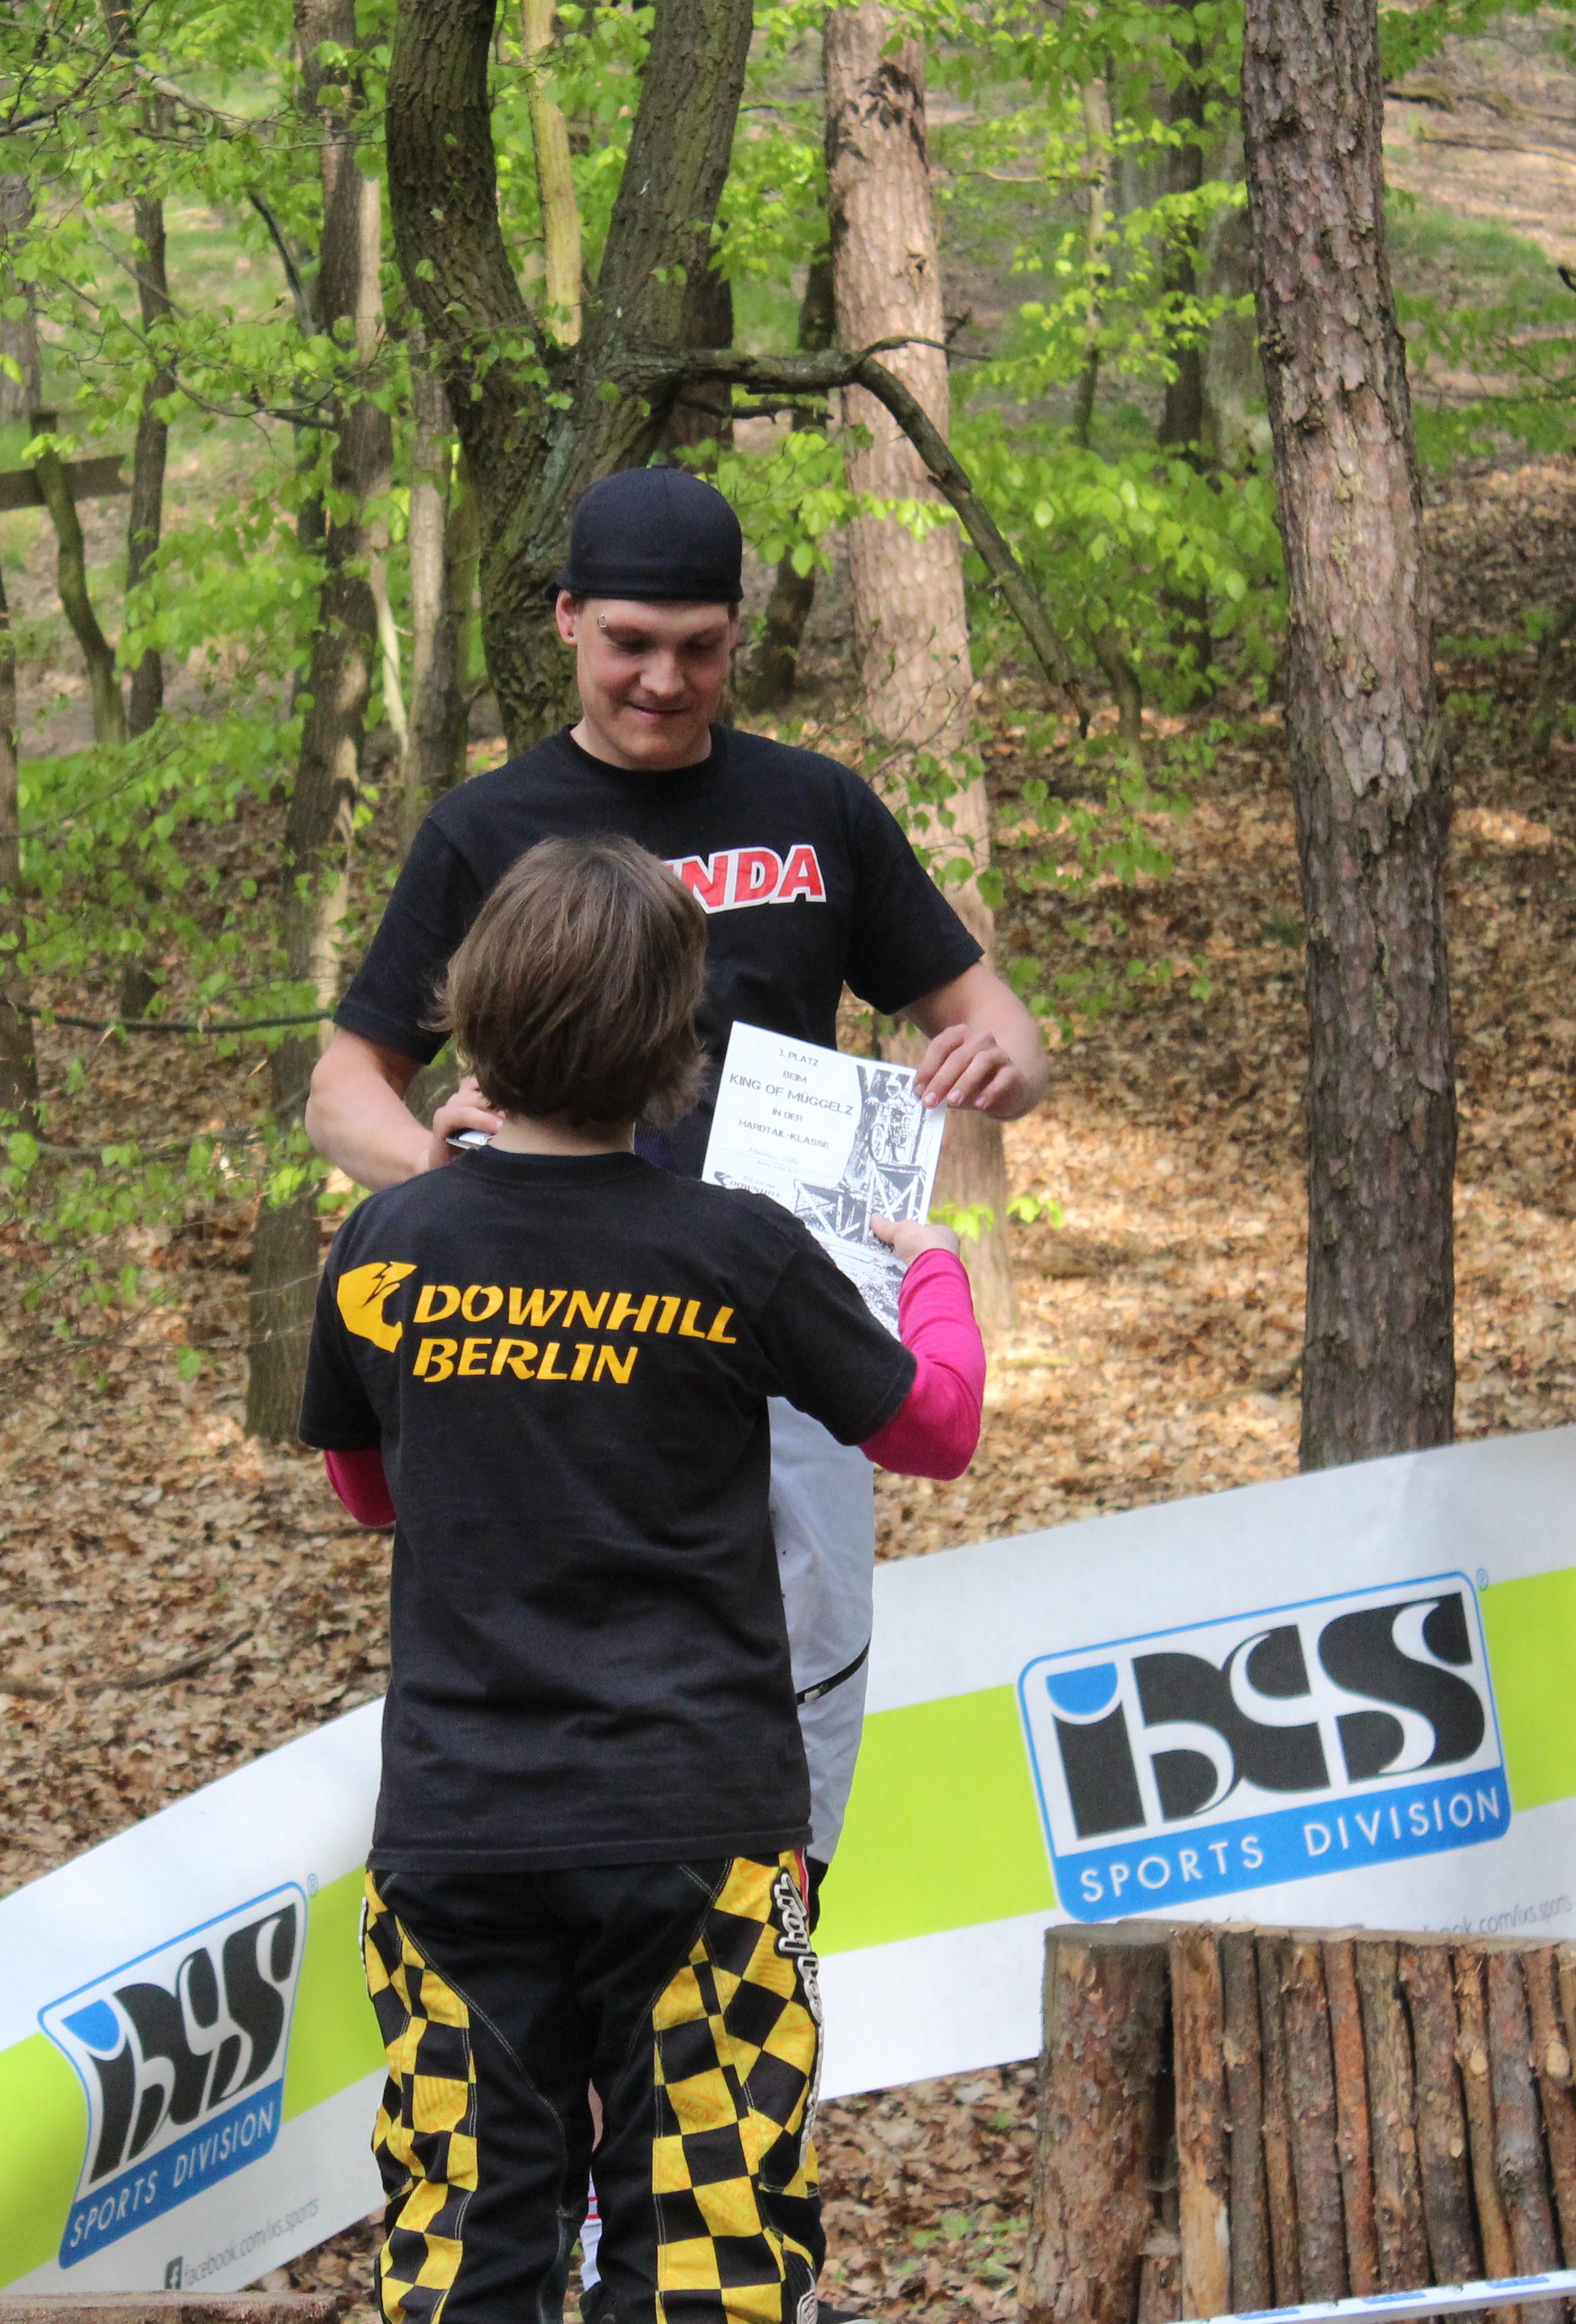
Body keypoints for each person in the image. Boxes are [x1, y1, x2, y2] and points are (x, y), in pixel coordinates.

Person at [308, 463, 1051, 1875]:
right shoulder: (486, 830)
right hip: (562, 1340)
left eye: (699, 647)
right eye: (630, 644)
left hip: (787, 1330)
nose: (663, 680)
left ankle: (773, 1939)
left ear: (735, 634)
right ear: (567, 621)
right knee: (573, 1676)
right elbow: (342, 1092)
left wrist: (1000, 1062)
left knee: (806, 1692)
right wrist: (443, 1177)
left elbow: (996, 1022)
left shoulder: (817, 807)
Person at [301, 833, 985, 2324]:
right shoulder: (736, 1249)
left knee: (465, 2248)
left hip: (459, 1826)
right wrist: (931, 1267)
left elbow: (370, 1491)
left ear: (476, 1017)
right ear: (679, 1038)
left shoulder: (386, 1242)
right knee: (706, 2260)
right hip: (700, 1829)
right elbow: (935, 1427)